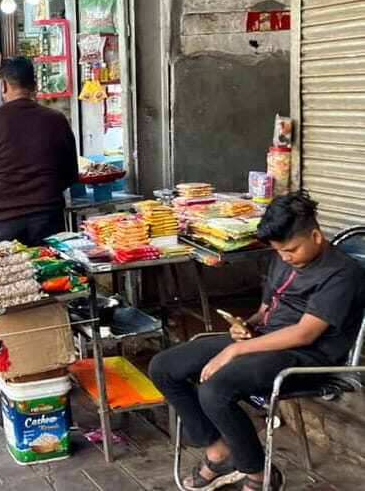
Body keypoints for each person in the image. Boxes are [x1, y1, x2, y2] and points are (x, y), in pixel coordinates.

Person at [148, 191, 365, 491]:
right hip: (264, 340)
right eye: (279, 251)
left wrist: (236, 349)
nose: (286, 257)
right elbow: (267, 308)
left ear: (315, 235)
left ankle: (259, 473)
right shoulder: (283, 259)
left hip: (306, 355)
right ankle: (218, 452)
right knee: (164, 366)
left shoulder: (342, 273)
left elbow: (305, 333)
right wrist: (245, 326)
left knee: (216, 390)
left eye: (291, 249)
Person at [0, 56, 79, 400]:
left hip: (2, 224)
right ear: (35, 86)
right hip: (48, 219)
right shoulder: (56, 120)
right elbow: (71, 174)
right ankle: (52, 368)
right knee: (50, 293)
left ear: (2, 86)